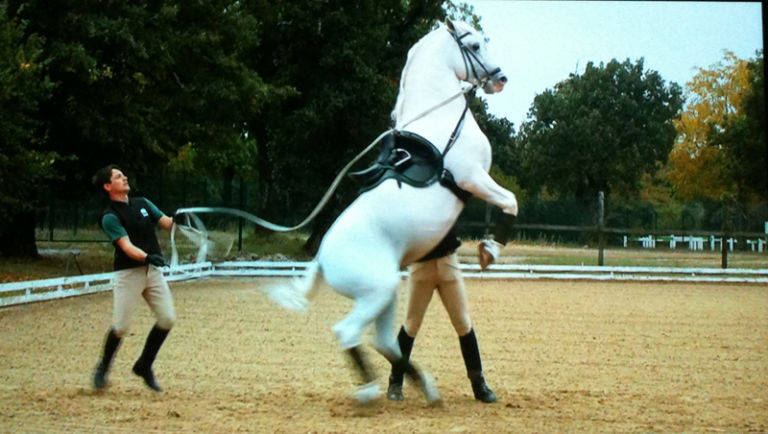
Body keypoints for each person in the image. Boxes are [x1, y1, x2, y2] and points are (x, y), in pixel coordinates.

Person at [91, 164, 179, 392]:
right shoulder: (109, 217)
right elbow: (126, 247)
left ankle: (144, 365)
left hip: (152, 272)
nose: (125, 178)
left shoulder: (143, 203)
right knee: (121, 326)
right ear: (108, 186)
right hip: (129, 273)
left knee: (167, 319)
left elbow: (167, 223)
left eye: (123, 175)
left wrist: (180, 218)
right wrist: (149, 256)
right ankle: (103, 367)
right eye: (119, 177)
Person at [387, 226, 497, 403]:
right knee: (411, 325)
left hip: (448, 263)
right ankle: (395, 381)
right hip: (421, 265)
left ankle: (479, 383)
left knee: (463, 323)